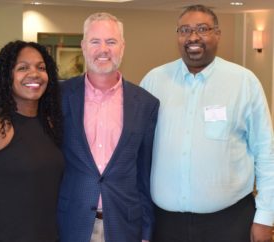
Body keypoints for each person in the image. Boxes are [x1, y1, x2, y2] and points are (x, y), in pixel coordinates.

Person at [140, 4, 274, 242]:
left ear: (217, 34)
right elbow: (138, 149)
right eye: (185, 30)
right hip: (165, 225)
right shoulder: (154, 81)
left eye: (202, 29)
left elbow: (266, 153)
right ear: (178, 36)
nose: (193, 37)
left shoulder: (244, 83)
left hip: (230, 223)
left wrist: (265, 216)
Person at [57, 12, 159, 242]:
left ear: (122, 47)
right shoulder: (58, 96)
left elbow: (145, 172)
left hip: (125, 225)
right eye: (95, 41)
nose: (103, 49)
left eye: (111, 42)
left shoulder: (145, 104)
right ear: (83, 46)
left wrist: (146, 229)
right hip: (70, 222)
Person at [0, 40, 64, 242]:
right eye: (22, 68)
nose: (34, 74)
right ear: (7, 76)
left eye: (41, 67)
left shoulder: (49, 122)